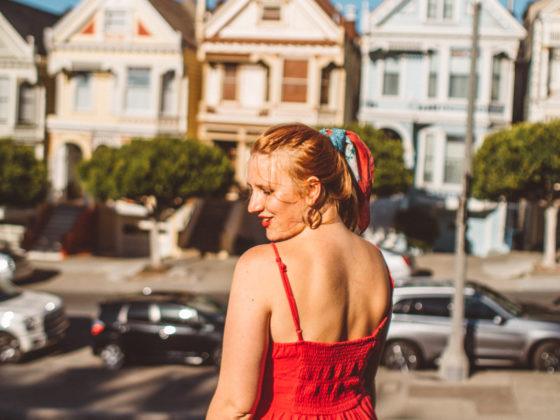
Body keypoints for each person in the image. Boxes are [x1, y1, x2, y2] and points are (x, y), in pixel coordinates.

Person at [207, 123, 393, 419]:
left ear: (312, 190)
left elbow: (235, 406)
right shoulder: (377, 262)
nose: (254, 206)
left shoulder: (261, 267)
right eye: (251, 191)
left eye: (267, 191)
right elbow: (366, 385)